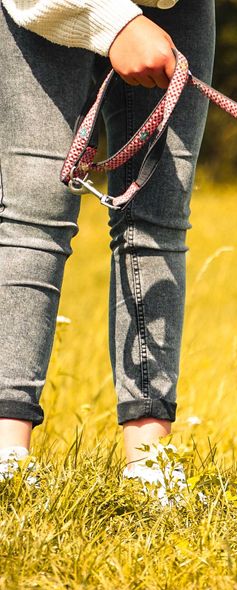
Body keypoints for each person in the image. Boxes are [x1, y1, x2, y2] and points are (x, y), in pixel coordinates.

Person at [0, 0, 215, 501]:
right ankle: (6, 455)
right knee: (34, 215)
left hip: (174, 11)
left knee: (158, 219)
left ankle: (151, 463)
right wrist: (113, 22)